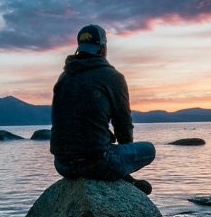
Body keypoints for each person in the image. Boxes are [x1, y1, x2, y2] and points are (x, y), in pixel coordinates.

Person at [50, 24, 155, 195]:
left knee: (105, 146)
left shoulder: (64, 77)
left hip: (62, 165)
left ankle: (127, 180)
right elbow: (123, 125)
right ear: (103, 48)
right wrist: (123, 158)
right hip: (97, 163)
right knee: (149, 149)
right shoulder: (112, 77)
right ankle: (126, 179)